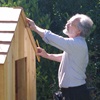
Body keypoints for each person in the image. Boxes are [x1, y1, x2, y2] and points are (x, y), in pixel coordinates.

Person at [26, 14, 93, 100]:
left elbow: (53, 39)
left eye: (71, 24)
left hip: (75, 93)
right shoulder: (77, 44)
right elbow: (64, 57)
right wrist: (47, 55)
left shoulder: (77, 44)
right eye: (68, 22)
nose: (67, 24)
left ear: (79, 30)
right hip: (73, 91)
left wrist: (35, 28)